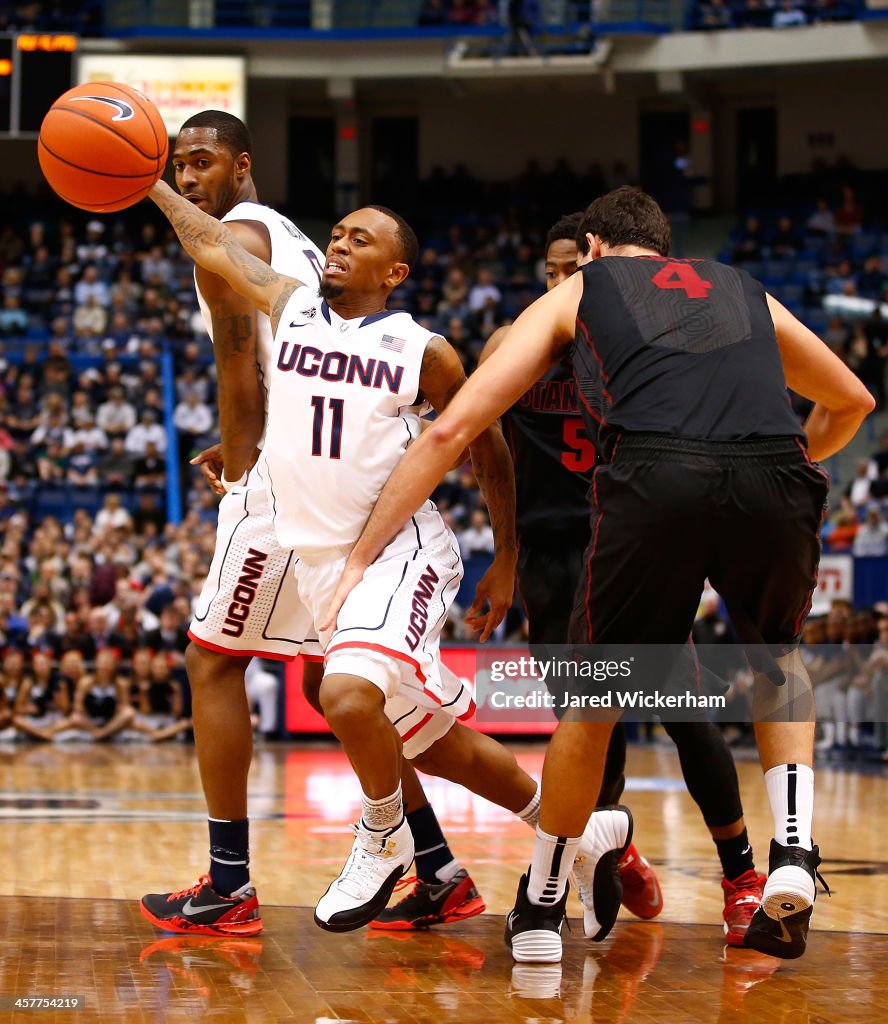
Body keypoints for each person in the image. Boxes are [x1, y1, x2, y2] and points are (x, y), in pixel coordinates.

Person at [324, 186, 875, 963]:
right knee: (778, 659)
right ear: (666, 248)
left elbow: (453, 427)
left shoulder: (583, 291)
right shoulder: (739, 285)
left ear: (588, 250)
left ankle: (545, 901)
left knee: (595, 701)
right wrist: (787, 467)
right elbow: (852, 398)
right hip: (774, 475)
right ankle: (790, 851)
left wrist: (359, 555)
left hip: (653, 487)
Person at [144, 179, 628, 936]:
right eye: (335, 233)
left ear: (394, 273)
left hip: (398, 555)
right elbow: (210, 243)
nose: (338, 244)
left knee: (339, 697)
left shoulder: (422, 350)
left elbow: (489, 447)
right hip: (318, 561)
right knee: (436, 745)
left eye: (359, 239)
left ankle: (383, 836)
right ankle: (574, 828)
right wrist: (151, 182)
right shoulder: (292, 309)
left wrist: (507, 557)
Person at [139, 111, 487, 938]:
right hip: (316, 471)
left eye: (201, 164)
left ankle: (229, 885)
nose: (189, 181)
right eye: (177, 168)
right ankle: (438, 869)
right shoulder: (290, 236)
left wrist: (241, 460)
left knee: (214, 663)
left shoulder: (233, 243)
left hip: (282, 485)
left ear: (241, 166)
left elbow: (238, 364)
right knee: (325, 685)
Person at [479, 211, 766, 946]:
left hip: (634, 544)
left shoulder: (643, 346)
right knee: (581, 723)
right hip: (548, 553)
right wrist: (504, 556)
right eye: (550, 271)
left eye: (573, 270)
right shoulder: (516, 344)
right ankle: (616, 844)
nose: (561, 282)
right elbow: (494, 454)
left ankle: (741, 876)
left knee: (683, 709)